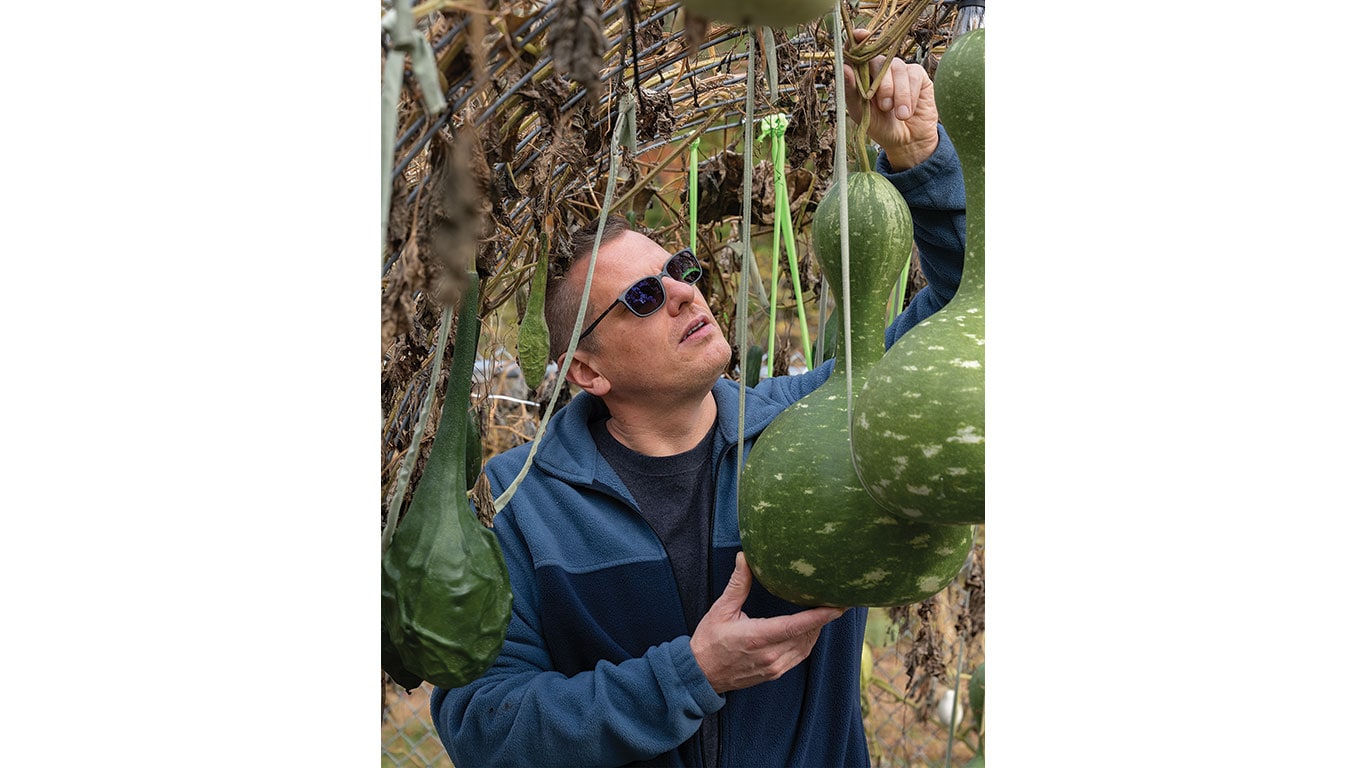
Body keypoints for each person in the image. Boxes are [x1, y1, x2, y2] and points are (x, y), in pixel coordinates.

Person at [430, 33, 967, 768]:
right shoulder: (515, 504)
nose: (687, 290)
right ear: (588, 371)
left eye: (678, 268)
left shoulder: (821, 418)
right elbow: (485, 726)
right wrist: (691, 675)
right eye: (645, 298)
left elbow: (961, 319)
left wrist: (919, 164)